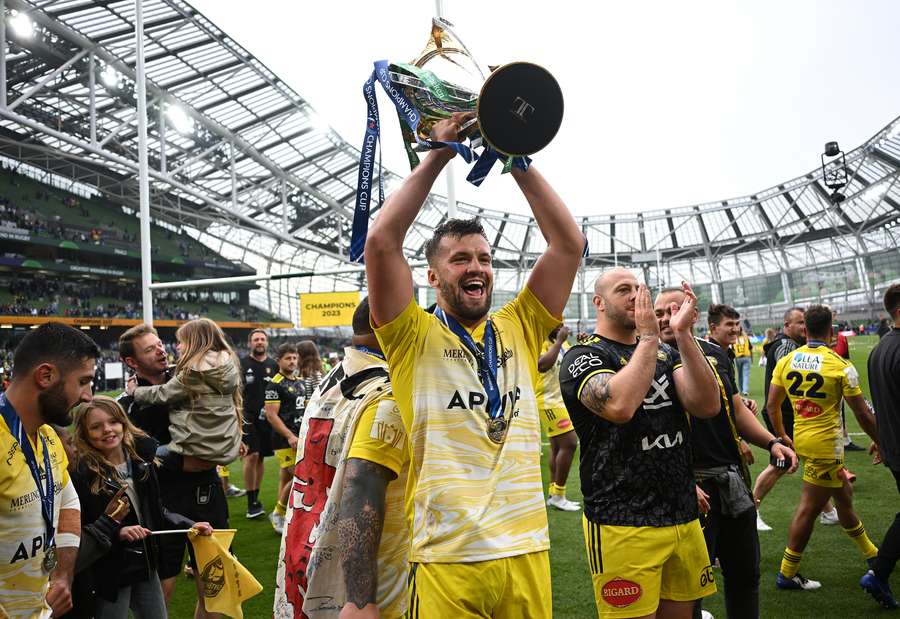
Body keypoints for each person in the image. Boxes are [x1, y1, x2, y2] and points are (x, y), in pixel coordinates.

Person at [365, 112, 585, 617]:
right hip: (448, 555)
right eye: (461, 259)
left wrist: (514, 156)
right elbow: (381, 243)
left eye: (484, 259)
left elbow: (568, 244)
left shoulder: (521, 324)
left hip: (526, 547)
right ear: (433, 275)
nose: (477, 268)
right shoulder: (409, 334)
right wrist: (438, 155)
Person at [559, 271, 721, 619]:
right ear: (598, 303)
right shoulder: (584, 356)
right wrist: (648, 337)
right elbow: (619, 405)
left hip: (680, 515)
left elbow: (707, 404)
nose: (636, 295)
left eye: (638, 288)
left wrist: (683, 334)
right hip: (623, 520)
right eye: (623, 290)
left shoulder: (664, 350)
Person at [657, 295, 797, 619]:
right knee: (688, 589)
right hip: (689, 491)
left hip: (732, 481)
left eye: (674, 310)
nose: (666, 317)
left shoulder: (716, 354)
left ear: (692, 315)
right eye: (659, 312)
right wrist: (679, 480)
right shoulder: (647, 360)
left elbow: (735, 409)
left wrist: (772, 442)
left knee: (745, 575)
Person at [274, 298, 409, 618]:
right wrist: (361, 598)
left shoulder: (334, 376)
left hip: (307, 537)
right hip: (361, 569)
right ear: (387, 324)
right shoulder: (387, 392)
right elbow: (362, 487)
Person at [117, 324, 230, 618]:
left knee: (216, 586)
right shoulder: (125, 405)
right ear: (131, 362)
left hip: (207, 490)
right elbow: (136, 454)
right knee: (159, 592)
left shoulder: (192, 378)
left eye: (160, 344)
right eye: (149, 348)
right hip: (161, 500)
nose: (161, 350)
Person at [769, 305, 881, 591]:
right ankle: (787, 572)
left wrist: (782, 436)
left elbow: (772, 406)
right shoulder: (840, 364)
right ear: (832, 330)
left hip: (803, 439)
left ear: (805, 329)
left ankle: (873, 555)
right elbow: (863, 414)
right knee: (809, 508)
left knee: (844, 497)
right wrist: (881, 442)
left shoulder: (788, 360)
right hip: (826, 447)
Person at [69, 396, 213, 618]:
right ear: (84, 433)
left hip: (145, 565)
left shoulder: (142, 461)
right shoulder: (82, 474)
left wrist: (190, 525)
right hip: (109, 570)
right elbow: (79, 527)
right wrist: (117, 531)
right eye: (96, 427)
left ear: (123, 422)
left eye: (113, 422)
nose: (107, 430)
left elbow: (156, 510)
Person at [0, 323, 95, 617]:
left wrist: (63, 575)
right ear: (46, 376)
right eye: (83, 382)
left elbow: (67, 501)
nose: (89, 396)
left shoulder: (49, 438)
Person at [125, 318, 242, 469]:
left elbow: (163, 393)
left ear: (195, 342)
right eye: (150, 349)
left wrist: (135, 391)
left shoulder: (193, 372)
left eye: (181, 342)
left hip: (196, 449)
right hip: (224, 446)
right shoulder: (224, 366)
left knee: (141, 464)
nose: (177, 347)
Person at [754, 307, 818, 531]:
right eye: (799, 322)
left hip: (788, 413)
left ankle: (828, 510)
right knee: (780, 464)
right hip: (782, 413)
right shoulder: (785, 346)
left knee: (813, 459)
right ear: (786, 326)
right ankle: (751, 511)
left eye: (805, 322)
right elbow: (792, 379)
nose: (804, 326)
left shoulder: (790, 345)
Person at [861, 284, 900, 608]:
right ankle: (880, 571)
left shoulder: (879, 349)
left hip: (893, 446)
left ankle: (880, 570)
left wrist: (882, 441)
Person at [536, 324, 580, 511]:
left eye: (562, 324)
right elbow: (542, 365)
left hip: (562, 402)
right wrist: (560, 340)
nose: (561, 327)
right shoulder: (542, 342)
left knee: (556, 447)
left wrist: (581, 343)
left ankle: (554, 493)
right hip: (548, 402)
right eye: (557, 324)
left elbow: (571, 362)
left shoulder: (562, 344)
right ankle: (559, 495)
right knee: (570, 443)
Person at [264, 343, 304, 535]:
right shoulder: (275, 384)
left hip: (300, 436)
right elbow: (271, 415)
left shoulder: (299, 381)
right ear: (279, 360)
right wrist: (289, 436)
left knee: (288, 477)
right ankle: (278, 513)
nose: (292, 361)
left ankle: (288, 512)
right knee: (301, 475)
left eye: (294, 358)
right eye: (288, 358)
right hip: (285, 440)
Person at [240, 329, 278, 519]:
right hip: (247, 415)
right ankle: (250, 502)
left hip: (267, 418)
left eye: (262, 339)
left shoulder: (274, 365)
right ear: (250, 343)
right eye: (256, 339)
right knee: (251, 455)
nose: (259, 342)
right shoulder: (242, 364)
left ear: (267, 342)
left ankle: (256, 497)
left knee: (261, 456)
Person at [732, 326, 753, 396]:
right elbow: (750, 348)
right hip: (746, 357)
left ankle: (741, 389)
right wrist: (752, 358)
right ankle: (745, 390)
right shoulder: (746, 338)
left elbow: (732, 349)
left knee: (740, 375)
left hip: (738, 358)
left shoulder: (734, 339)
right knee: (746, 374)